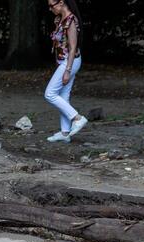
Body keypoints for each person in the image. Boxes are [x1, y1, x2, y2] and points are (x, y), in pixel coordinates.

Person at [45, 0, 87, 143]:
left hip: (70, 61)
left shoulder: (71, 20)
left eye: (52, 5)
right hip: (63, 62)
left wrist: (67, 70)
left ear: (61, 2)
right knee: (63, 96)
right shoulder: (60, 19)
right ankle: (65, 133)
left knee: (50, 94)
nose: (50, 8)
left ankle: (78, 118)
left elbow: (73, 47)